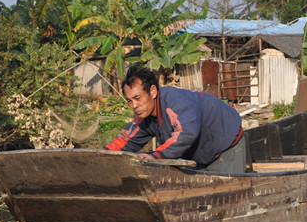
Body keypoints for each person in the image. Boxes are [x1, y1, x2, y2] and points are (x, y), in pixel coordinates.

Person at [105, 65, 246, 172]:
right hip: (200, 152)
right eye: (129, 101)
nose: (134, 106)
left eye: (137, 98)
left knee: (222, 196)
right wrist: (102, 155)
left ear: (153, 91)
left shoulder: (176, 102)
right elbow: (127, 140)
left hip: (226, 145)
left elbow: (186, 132)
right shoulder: (145, 113)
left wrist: (157, 155)